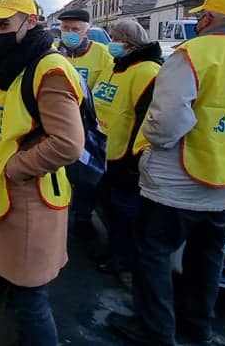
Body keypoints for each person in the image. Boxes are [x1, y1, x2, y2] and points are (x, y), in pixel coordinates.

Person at [108, 0, 225, 346]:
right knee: (206, 259)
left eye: (202, 16)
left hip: (178, 179)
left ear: (209, 19)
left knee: (152, 254)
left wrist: (148, 149)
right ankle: (197, 326)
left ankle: (155, 331)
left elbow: (166, 120)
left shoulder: (193, 54)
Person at [0, 0, 85, 346]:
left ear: (31, 22)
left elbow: (67, 143)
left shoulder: (49, 67)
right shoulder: (10, 63)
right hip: (3, 194)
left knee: (31, 298)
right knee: (13, 289)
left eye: (4, 24)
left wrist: (14, 168)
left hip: (30, 198)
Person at [90, 19, 162, 282]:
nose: (111, 44)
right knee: (110, 209)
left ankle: (123, 259)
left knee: (124, 213)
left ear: (129, 43)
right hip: (107, 151)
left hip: (126, 159)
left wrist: (135, 159)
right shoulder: (119, 67)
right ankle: (113, 252)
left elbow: (147, 118)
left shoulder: (147, 72)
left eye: (115, 39)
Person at [56, 8, 113, 240]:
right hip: (58, 124)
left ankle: (82, 217)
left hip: (87, 127)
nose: (69, 33)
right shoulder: (53, 53)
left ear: (86, 31)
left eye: (75, 29)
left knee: (84, 175)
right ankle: (59, 212)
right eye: (65, 28)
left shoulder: (102, 54)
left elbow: (107, 88)